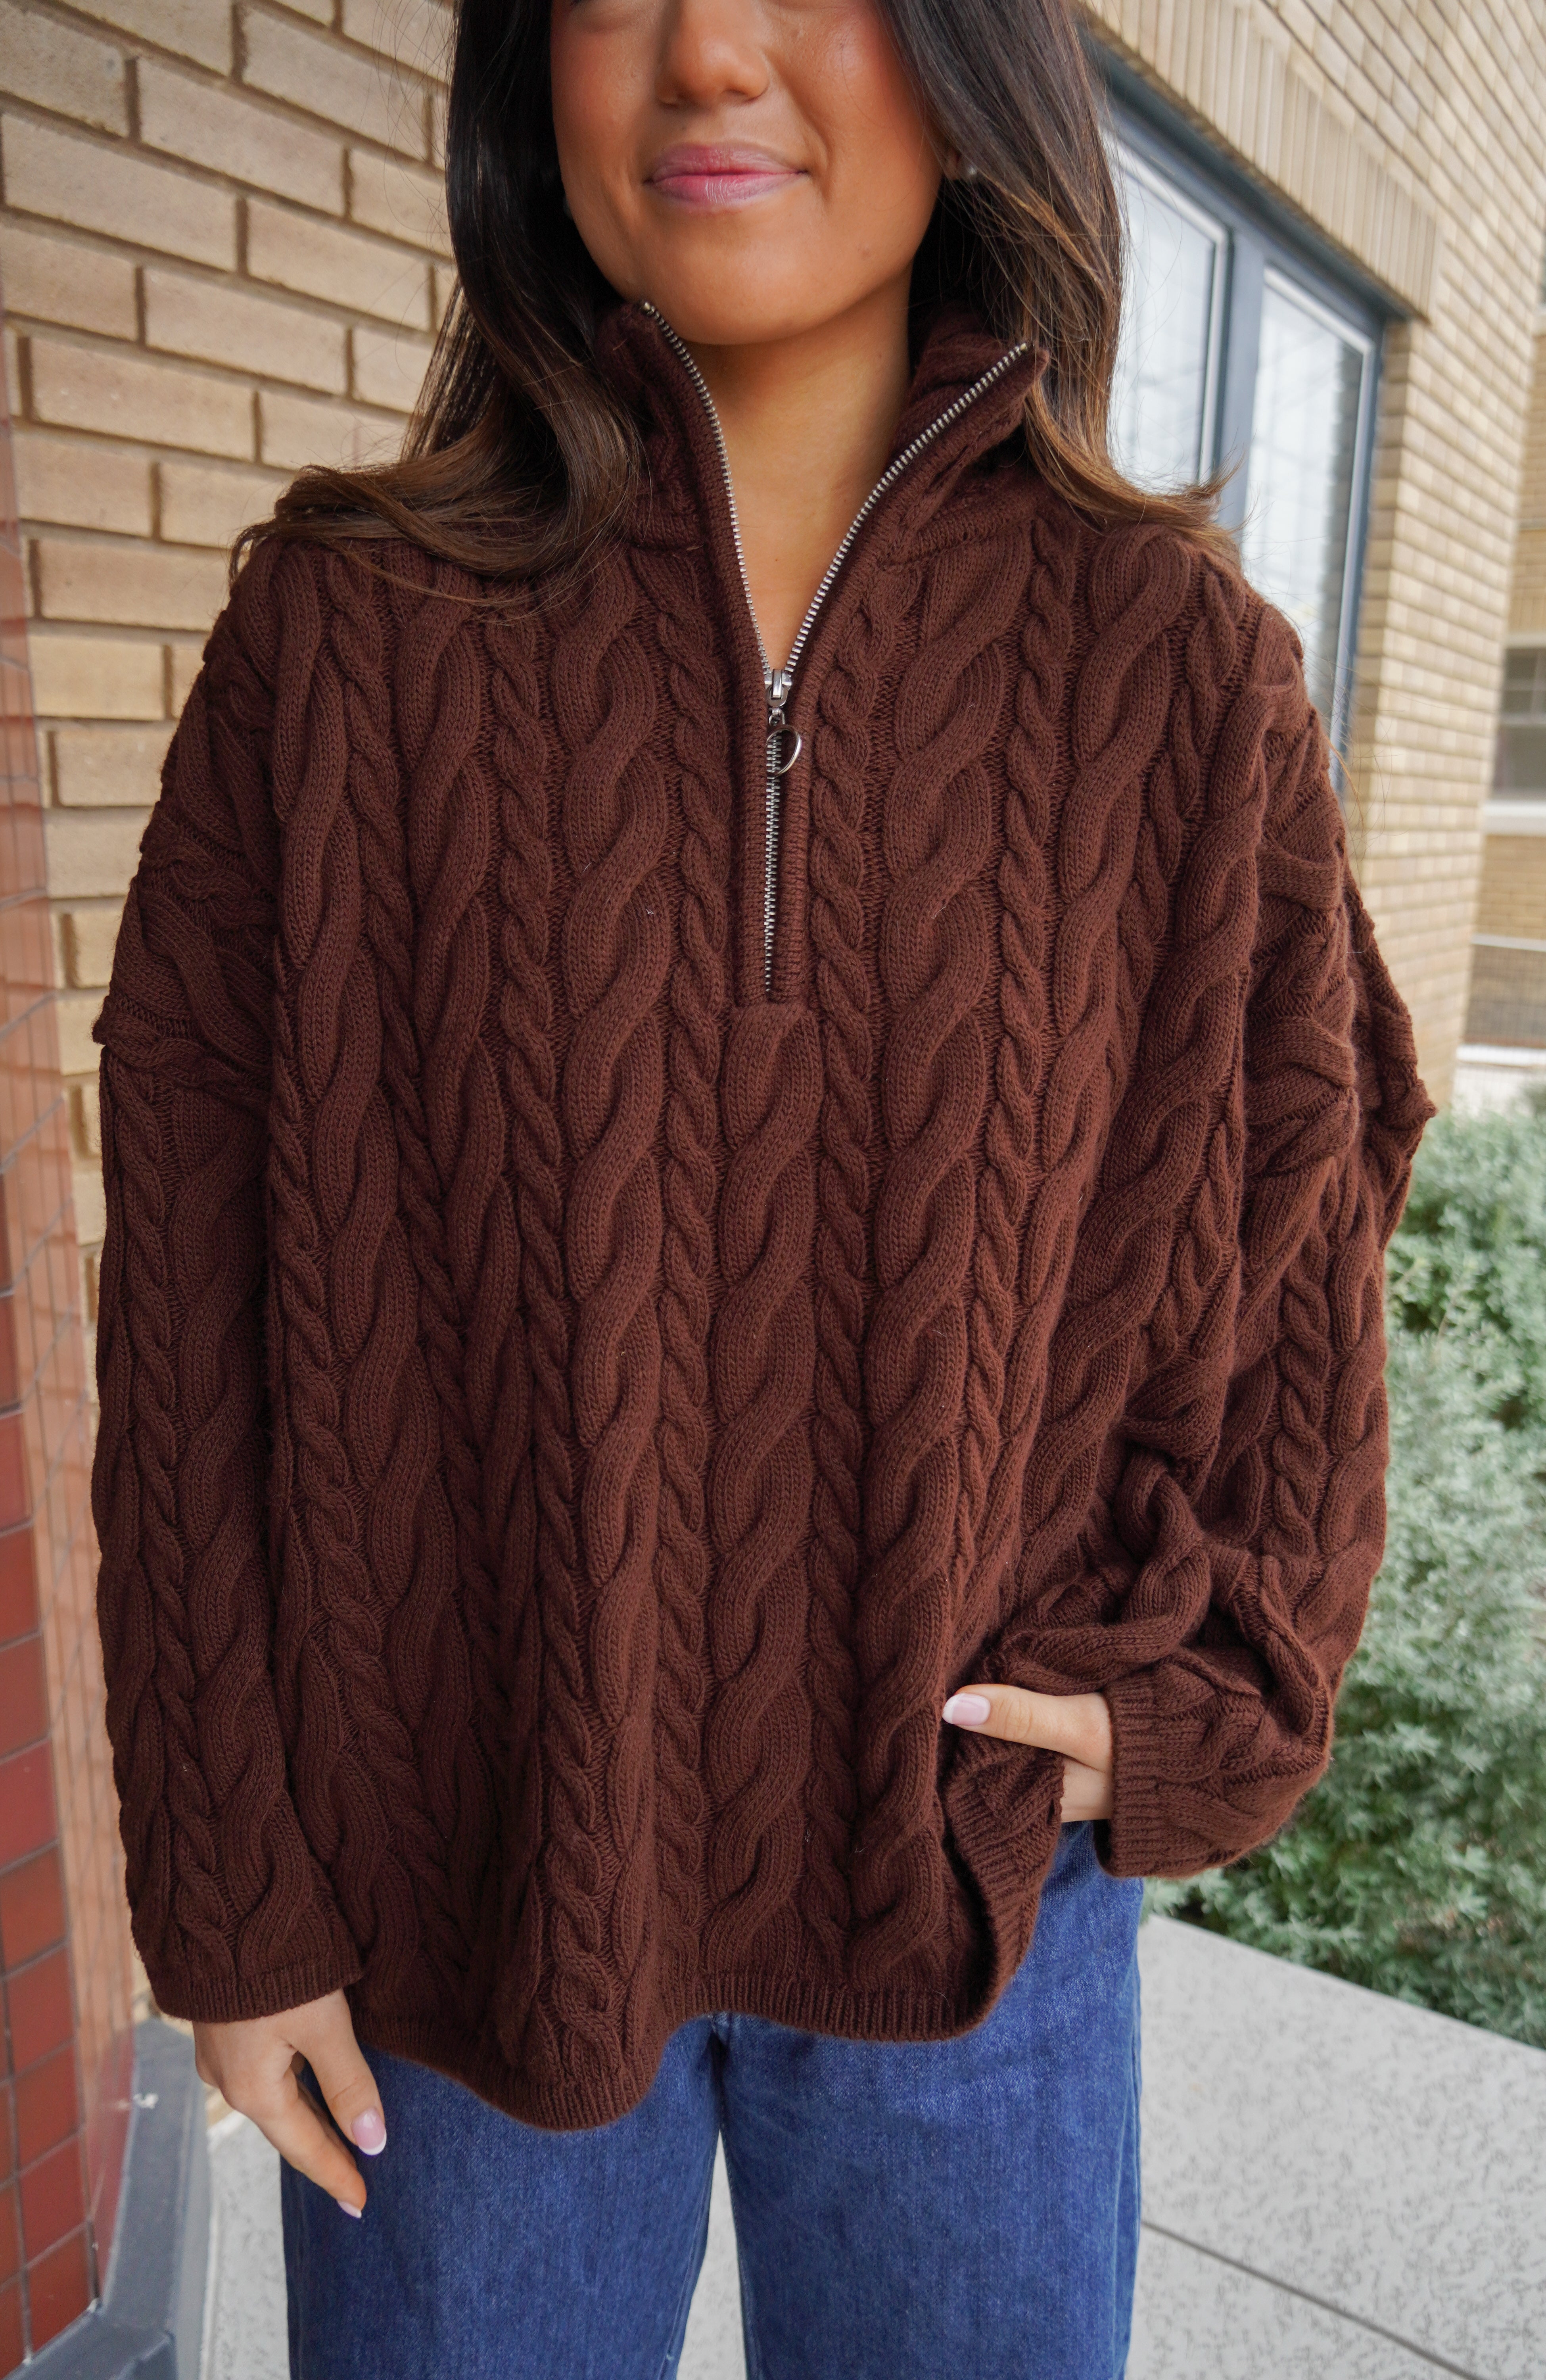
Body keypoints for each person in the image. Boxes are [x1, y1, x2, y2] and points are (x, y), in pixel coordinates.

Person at [88, 0, 1434, 2371]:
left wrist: (1223, 1676)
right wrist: (234, 1888)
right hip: (456, 1901)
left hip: (976, 1912)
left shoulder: (1179, 671)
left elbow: (1309, 1195)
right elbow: (190, 1281)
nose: (710, 50)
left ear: (971, 58)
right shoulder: (345, 633)